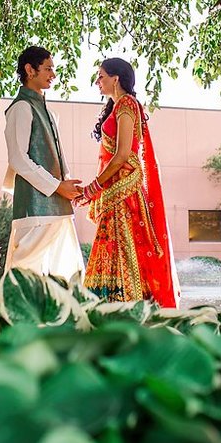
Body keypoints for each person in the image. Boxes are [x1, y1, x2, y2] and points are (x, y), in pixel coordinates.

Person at [77, 58, 178, 307]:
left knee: (122, 248)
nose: (97, 81)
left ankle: (126, 307)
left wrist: (92, 188)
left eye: (101, 76)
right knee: (111, 247)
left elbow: (122, 155)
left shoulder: (127, 105)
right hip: (115, 189)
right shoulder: (116, 106)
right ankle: (106, 307)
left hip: (123, 191)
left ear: (116, 78)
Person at [1, 46, 85, 279]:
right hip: (34, 209)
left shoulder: (45, 109)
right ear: (30, 70)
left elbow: (56, 155)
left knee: (68, 277)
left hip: (58, 209)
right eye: (48, 69)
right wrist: (58, 187)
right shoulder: (21, 108)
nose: (53, 75)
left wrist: (68, 187)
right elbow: (18, 158)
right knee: (25, 276)